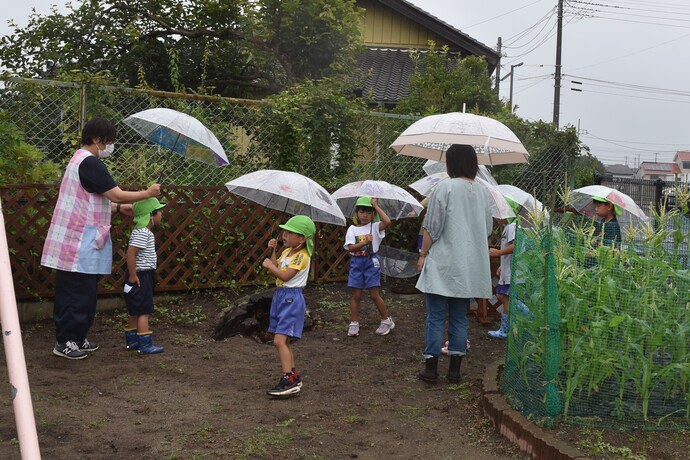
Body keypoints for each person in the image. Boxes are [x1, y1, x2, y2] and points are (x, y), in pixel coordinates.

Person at [41, 117, 161, 360]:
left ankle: (77, 337)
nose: (110, 146)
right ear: (96, 140)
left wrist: (119, 209)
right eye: (108, 141)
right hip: (76, 243)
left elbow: (92, 199)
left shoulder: (80, 161)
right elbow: (115, 193)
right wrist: (147, 194)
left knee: (83, 292)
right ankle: (65, 342)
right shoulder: (90, 163)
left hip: (78, 239)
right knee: (74, 294)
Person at [416, 144, 493, 384]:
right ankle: (455, 371)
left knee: (436, 315)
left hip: (443, 262)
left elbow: (433, 226)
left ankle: (431, 370)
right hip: (468, 265)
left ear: (450, 163)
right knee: (460, 316)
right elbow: (488, 229)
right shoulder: (483, 192)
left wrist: (423, 253)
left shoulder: (444, 188)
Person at [261, 215, 316, 397]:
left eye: (291, 233)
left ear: (302, 239)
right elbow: (278, 268)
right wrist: (273, 251)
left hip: (292, 299)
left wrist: (270, 265)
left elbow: (285, 276)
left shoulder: (302, 256)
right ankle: (292, 376)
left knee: (279, 340)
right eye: (285, 231)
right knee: (283, 340)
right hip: (280, 296)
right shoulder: (287, 252)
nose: (285, 235)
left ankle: (288, 380)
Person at [344, 197, 395, 337]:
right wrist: (364, 242)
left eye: (369, 212)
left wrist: (376, 206)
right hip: (357, 262)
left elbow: (388, 221)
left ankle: (386, 321)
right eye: (362, 212)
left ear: (373, 214)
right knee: (357, 295)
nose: (365, 215)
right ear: (356, 213)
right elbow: (351, 248)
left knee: (374, 294)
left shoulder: (375, 226)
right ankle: (354, 324)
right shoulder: (352, 229)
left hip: (371, 262)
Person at [124, 197, 166, 354]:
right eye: (159, 212)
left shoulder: (141, 231)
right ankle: (145, 345)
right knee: (144, 310)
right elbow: (131, 253)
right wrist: (134, 275)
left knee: (135, 309)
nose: (161, 215)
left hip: (139, 274)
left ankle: (132, 342)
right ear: (151, 215)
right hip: (141, 275)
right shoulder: (144, 233)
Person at [487, 217, 517, 339]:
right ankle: (506, 328)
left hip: (511, 271)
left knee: (505, 297)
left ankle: (505, 330)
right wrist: (501, 264)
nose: (495, 218)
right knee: (501, 296)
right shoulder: (507, 227)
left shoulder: (512, 227)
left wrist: (498, 253)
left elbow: (515, 246)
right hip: (506, 269)